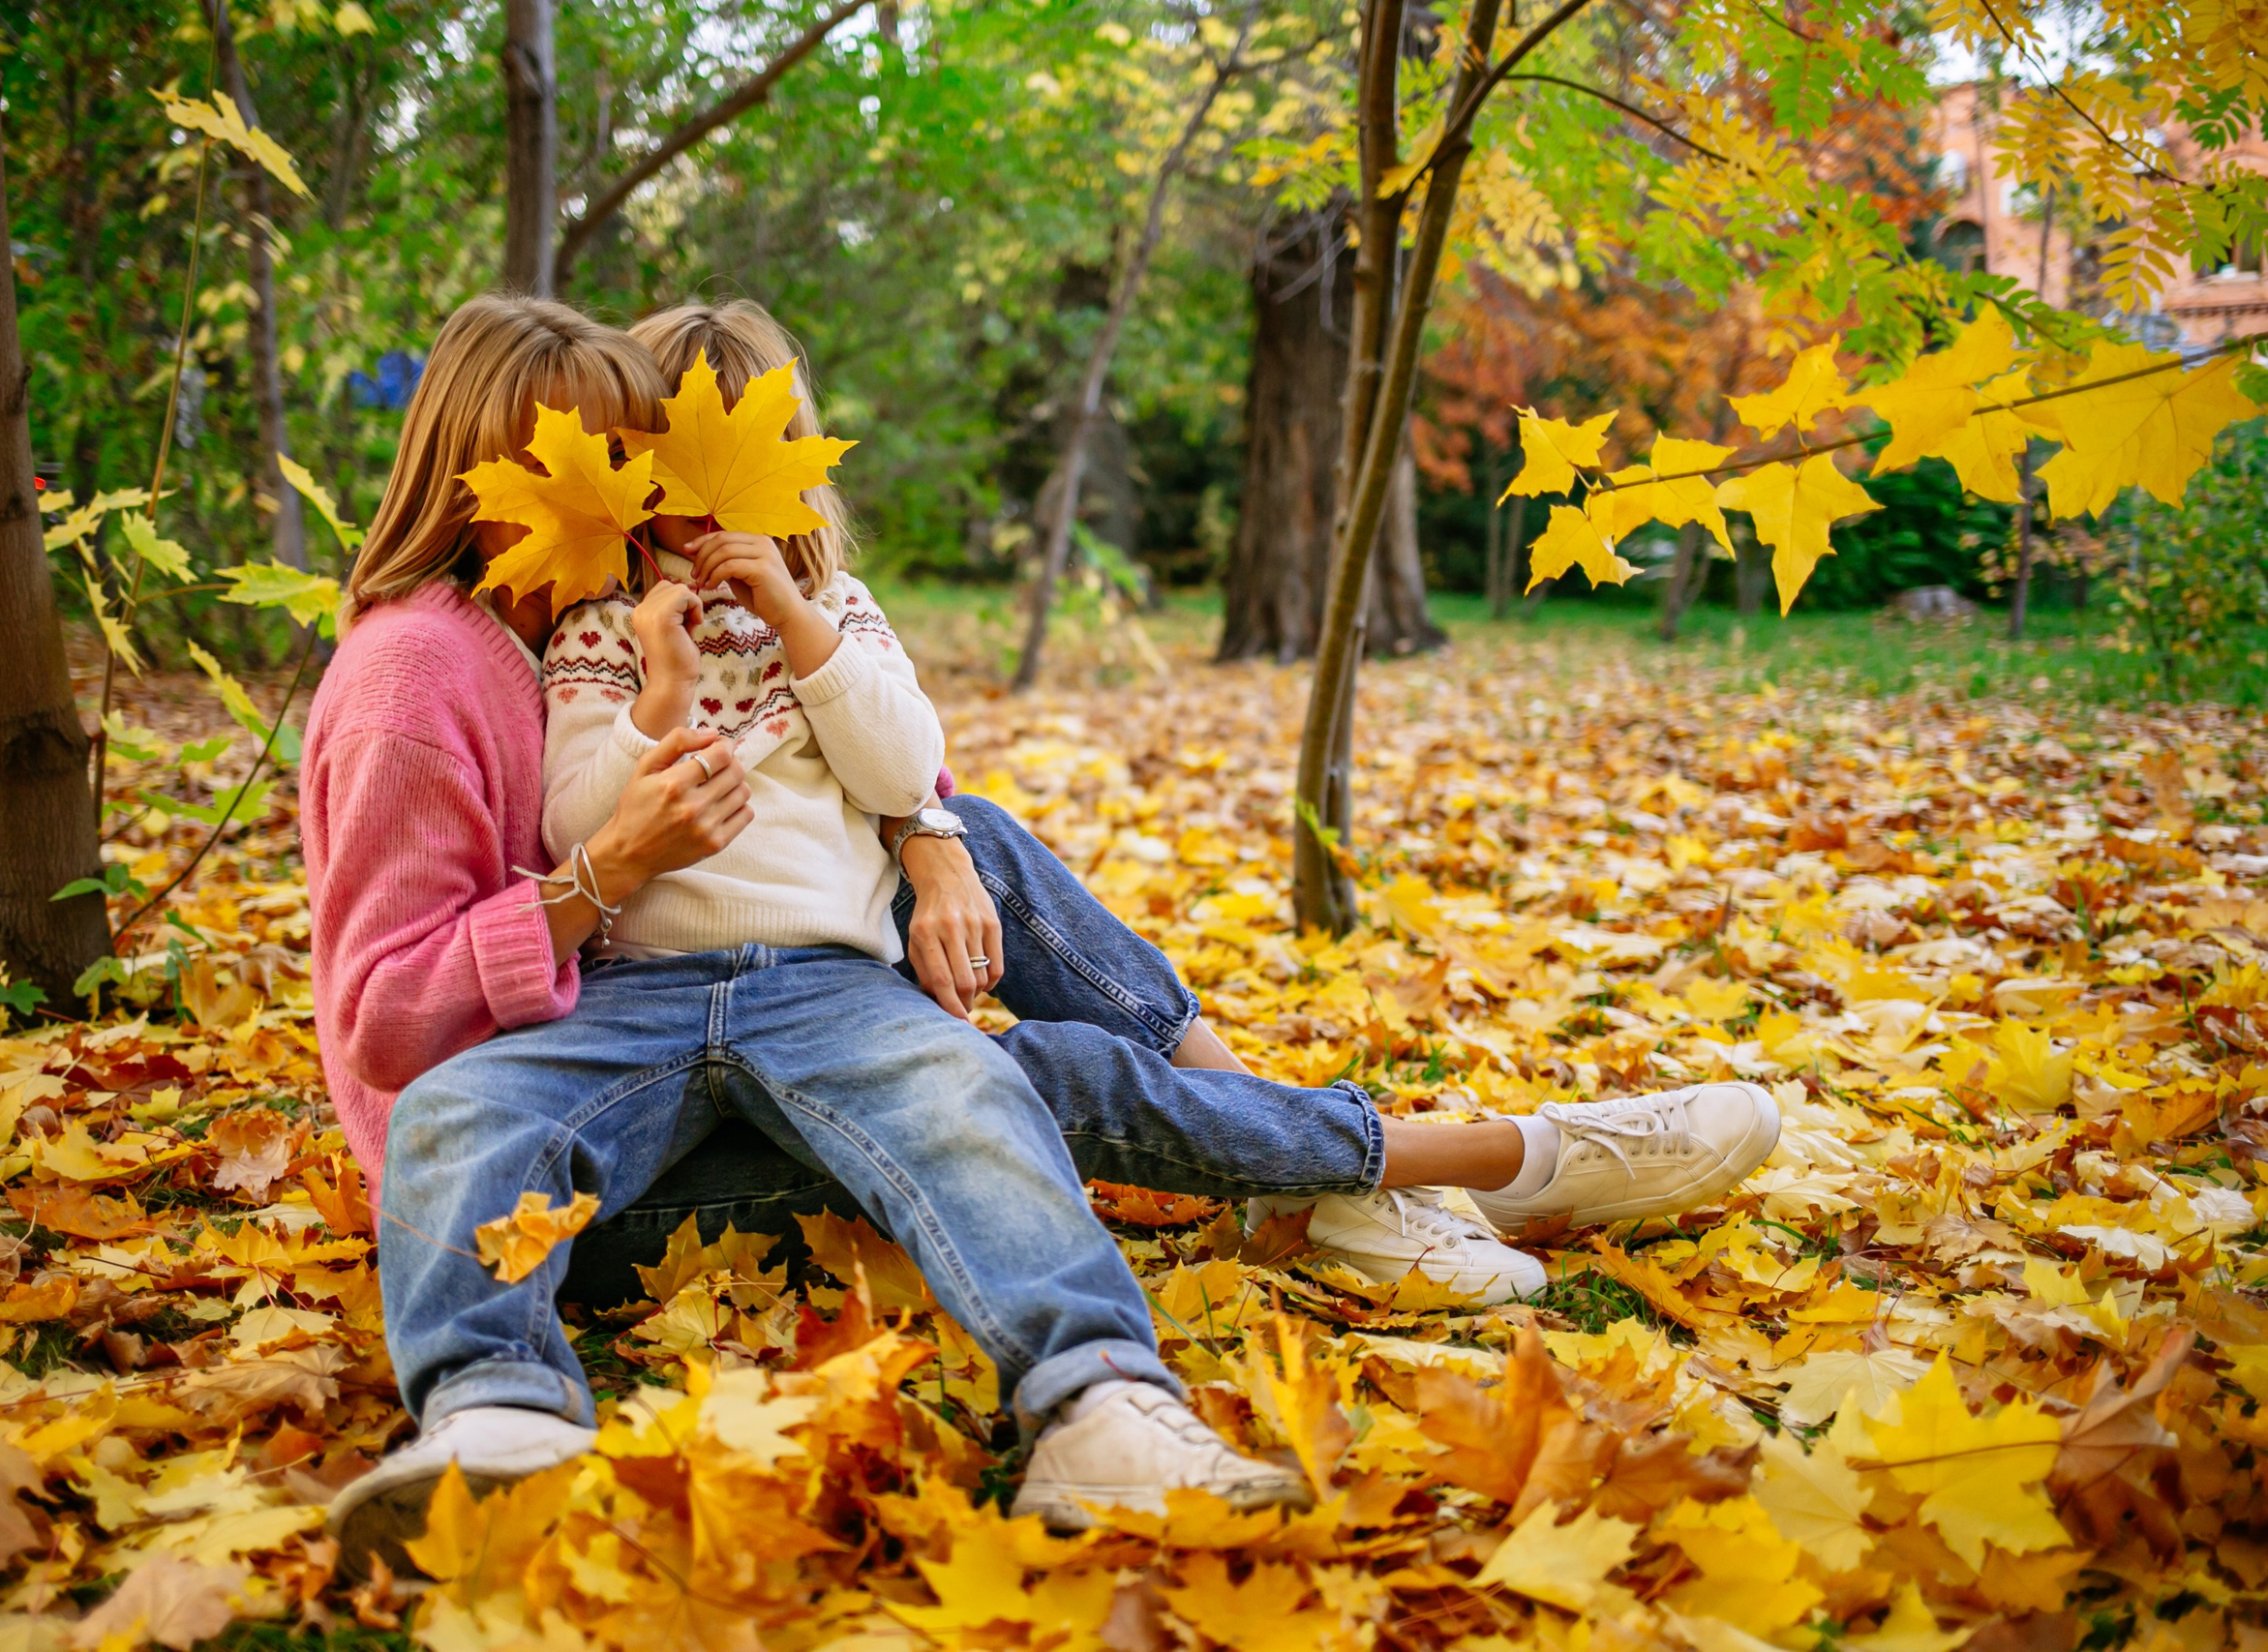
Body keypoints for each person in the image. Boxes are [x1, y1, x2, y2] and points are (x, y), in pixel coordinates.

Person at [301, 294, 1780, 1570]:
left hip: (810, 985)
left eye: (648, 465)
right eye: (608, 472)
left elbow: (902, 761)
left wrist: (926, 832)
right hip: (608, 1062)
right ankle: (492, 1411)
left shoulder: (726, 610)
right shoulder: (462, 663)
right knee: (486, 1114)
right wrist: (624, 818)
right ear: (498, 480)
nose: (638, 504)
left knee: (975, 1054)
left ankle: (1101, 1400)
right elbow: (412, 1006)